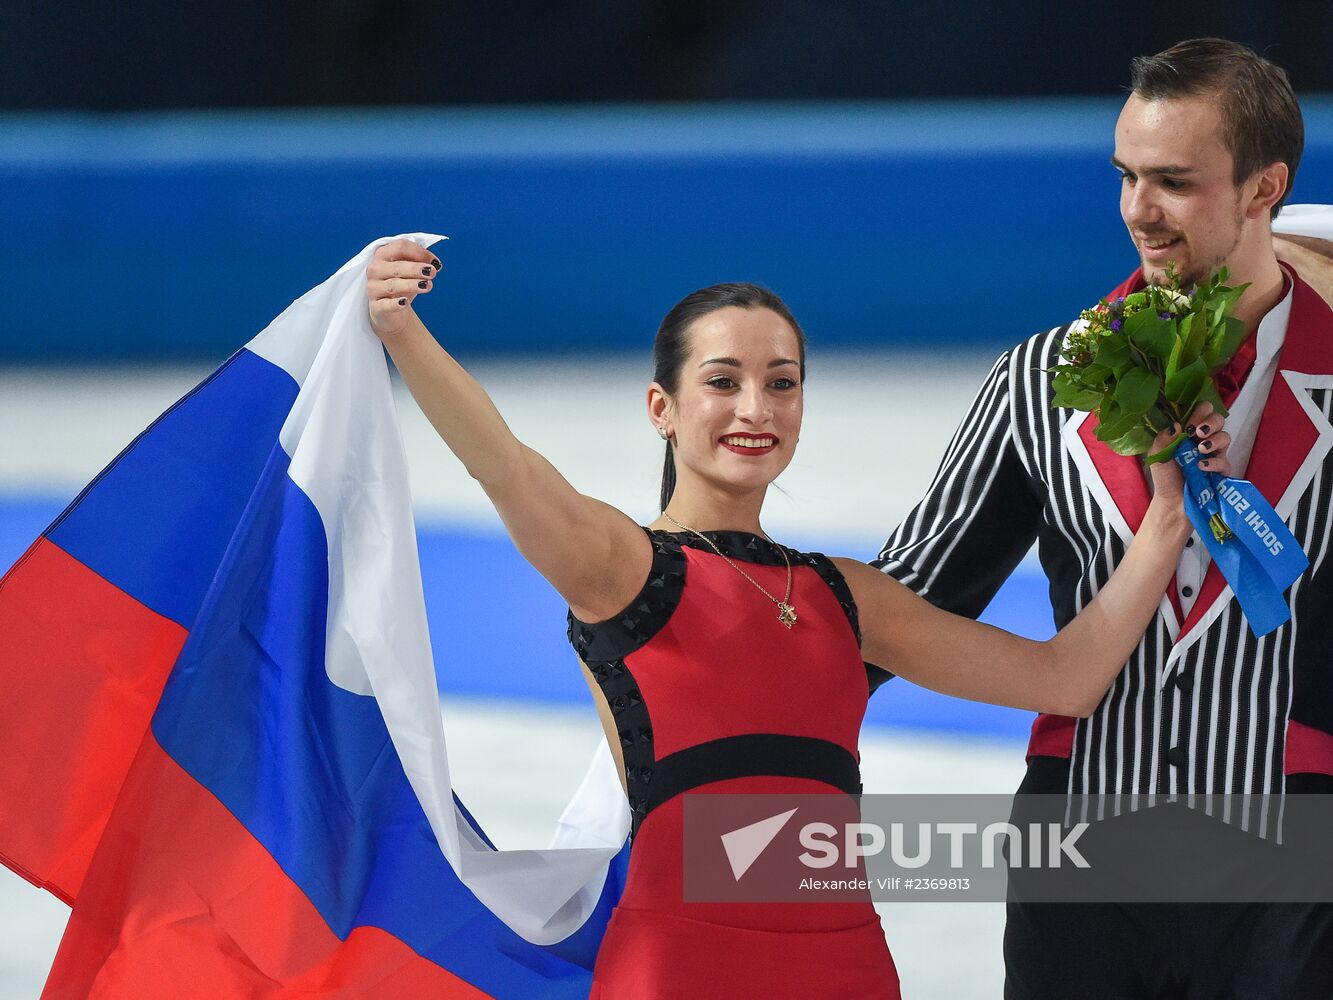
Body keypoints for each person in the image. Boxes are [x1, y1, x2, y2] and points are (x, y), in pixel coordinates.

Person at [364, 250, 1229, 996]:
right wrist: (401, 327)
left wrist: (1162, 522)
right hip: (681, 966)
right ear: (660, 409)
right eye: (721, 382)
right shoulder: (621, 567)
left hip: (845, 966)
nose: (756, 409)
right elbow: (500, 463)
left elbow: (1063, 680)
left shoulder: (843, 597)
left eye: (781, 383)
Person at [875, 38, 1333, 999]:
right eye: (1125, 177)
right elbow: (908, 598)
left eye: (1172, 181)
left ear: (1265, 187)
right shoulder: (1043, 378)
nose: (1136, 211)